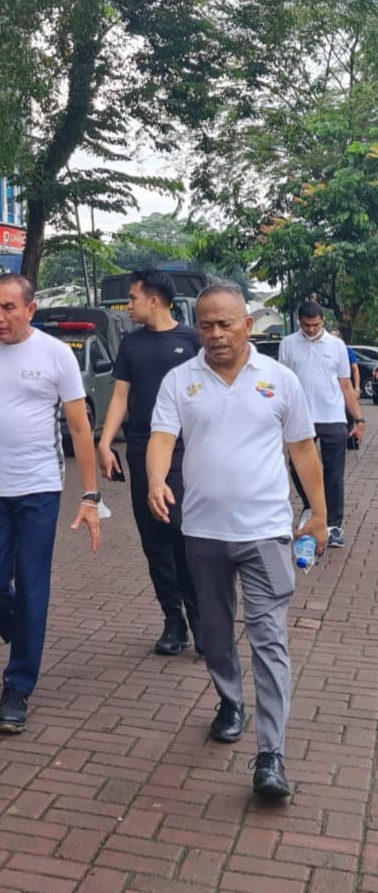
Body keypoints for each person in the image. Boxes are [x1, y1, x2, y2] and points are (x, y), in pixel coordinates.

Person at [147, 284, 328, 800]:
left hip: (266, 531)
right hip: (202, 530)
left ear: (247, 324)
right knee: (215, 632)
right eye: (206, 324)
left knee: (269, 638)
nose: (216, 334)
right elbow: (162, 437)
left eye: (226, 323)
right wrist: (156, 479)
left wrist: (319, 514)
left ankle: (271, 754)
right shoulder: (180, 380)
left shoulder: (279, 379)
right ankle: (230, 700)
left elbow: (302, 448)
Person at [0, 273, 100, 734]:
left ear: (30, 309)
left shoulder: (56, 355)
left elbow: (80, 427)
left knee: (31, 584)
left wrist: (90, 494)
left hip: (39, 489)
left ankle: (17, 686)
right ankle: (21, 627)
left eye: (9, 307)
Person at [98, 268, 202, 656]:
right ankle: (173, 621)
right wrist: (105, 443)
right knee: (154, 540)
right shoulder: (131, 344)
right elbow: (120, 397)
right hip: (141, 449)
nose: (128, 305)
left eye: (133, 298)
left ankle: (201, 620)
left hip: (184, 450)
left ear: (154, 300)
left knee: (182, 533)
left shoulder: (193, 341)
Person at [279, 301, 364, 548]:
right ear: (299, 322)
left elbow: (345, 385)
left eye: (316, 325)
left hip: (332, 417)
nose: (311, 329)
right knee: (297, 467)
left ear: (322, 321)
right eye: (307, 325)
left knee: (334, 473)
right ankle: (313, 509)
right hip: (300, 417)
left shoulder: (337, 346)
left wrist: (359, 419)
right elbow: (283, 383)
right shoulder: (288, 344)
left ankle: (333, 526)